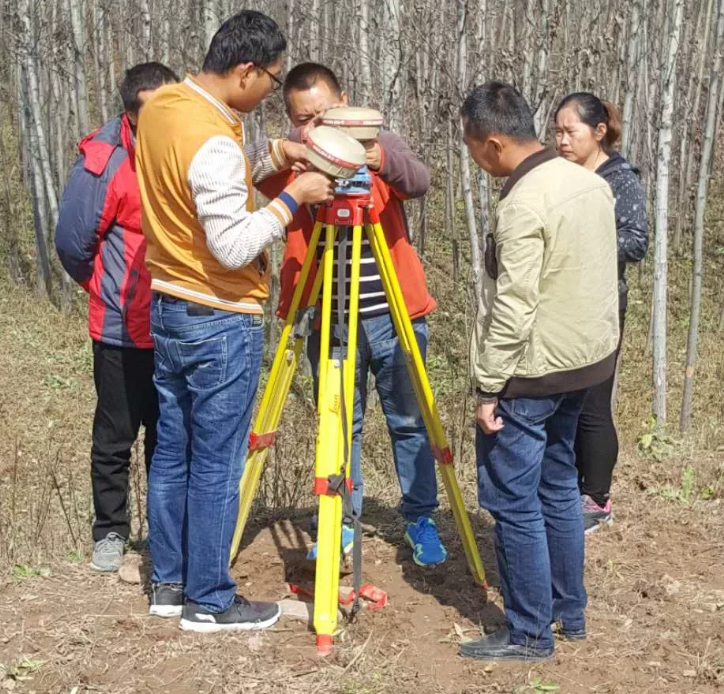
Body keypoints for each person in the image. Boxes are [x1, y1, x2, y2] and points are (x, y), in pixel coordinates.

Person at [135, 12, 334, 632]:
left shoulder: (166, 105)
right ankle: (210, 600)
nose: (270, 92)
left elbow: (200, 181)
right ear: (245, 70)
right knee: (217, 461)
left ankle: (169, 584)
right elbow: (231, 242)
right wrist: (294, 196)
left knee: (173, 452)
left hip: (169, 304)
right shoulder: (215, 139)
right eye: (271, 81)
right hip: (220, 315)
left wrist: (275, 153)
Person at [258, 63, 447, 567]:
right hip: (327, 317)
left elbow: (419, 180)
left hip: (393, 312)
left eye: (324, 112)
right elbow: (249, 172)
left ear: (344, 99)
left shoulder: (379, 142)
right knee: (341, 424)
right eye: (304, 118)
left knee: (409, 421)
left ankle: (420, 517)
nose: (317, 124)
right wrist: (289, 156)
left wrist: (376, 155)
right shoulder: (295, 159)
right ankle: (340, 522)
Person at [459, 82, 620, 661]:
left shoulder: (523, 202)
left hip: (531, 374)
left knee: (512, 501)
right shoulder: (589, 182)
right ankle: (567, 611)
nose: (476, 161)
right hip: (583, 364)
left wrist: (489, 385)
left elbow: (514, 304)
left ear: (494, 143)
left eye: (475, 149)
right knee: (558, 488)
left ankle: (528, 633)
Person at [55, 62, 180, 573]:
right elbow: (72, 244)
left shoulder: (184, 144)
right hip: (120, 327)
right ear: (130, 114)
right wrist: (106, 290)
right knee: (115, 435)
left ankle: (165, 534)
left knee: (169, 436)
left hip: (178, 321)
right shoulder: (103, 162)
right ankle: (110, 531)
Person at [554, 93, 649, 533]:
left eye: (570, 132)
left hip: (603, 304)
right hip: (562, 303)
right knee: (564, 399)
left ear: (598, 133)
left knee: (592, 401)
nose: (561, 140)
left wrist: (584, 237)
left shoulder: (619, 178)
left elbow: (636, 242)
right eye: (556, 131)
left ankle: (596, 497)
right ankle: (567, 485)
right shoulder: (561, 176)